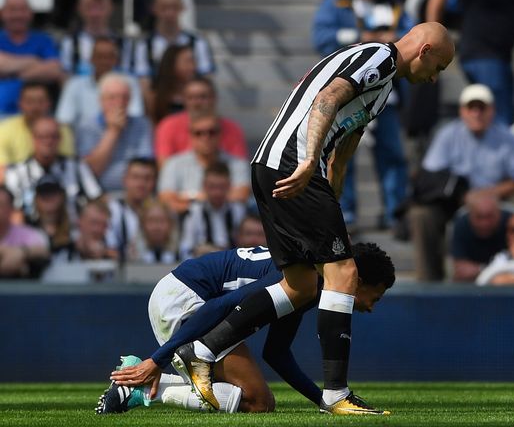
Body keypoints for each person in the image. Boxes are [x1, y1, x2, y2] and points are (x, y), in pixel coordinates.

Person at [165, 22, 453, 415]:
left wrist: (331, 200)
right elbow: (328, 99)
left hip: (272, 166)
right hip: (293, 164)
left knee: (300, 286)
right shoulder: (381, 58)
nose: (436, 78)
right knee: (343, 275)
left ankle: (201, 349)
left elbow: (345, 146)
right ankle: (335, 394)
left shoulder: (383, 86)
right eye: (440, 66)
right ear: (425, 51)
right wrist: (306, 163)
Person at [97, 243, 395, 415]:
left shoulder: (309, 283)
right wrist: (157, 359)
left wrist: (325, 401)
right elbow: (219, 307)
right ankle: (144, 392)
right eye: (375, 297)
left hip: (179, 294)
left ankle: (139, 389)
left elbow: (277, 353)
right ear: (357, 280)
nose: (371, 307)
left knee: (257, 400)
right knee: (258, 402)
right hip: (187, 300)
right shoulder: (301, 278)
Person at [312, 0, 413, 228]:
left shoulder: (393, 5)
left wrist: (396, 39)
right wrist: (360, 37)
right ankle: (344, 213)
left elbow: (415, 35)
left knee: (392, 154)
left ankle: (394, 211)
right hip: (347, 95)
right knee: (341, 156)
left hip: (384, 95)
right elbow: (321, 38)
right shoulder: (336, 3)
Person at [408, 83, 514, 281]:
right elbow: (430, 174)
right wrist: (463, 195)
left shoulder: (506, 137)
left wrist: (489, 195)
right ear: (462, 111)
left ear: (492, 110)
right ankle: (429, 279)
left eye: (482, 108)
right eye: (472, 108)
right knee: (421, 215)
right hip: (456, 198)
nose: (476, 113)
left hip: (498, 196)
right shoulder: (447, 135)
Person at [426, 0, 514, 126]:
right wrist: (433, 39)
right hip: (482, 56)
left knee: (494, 119)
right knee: (499, 122)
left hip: (500, 59)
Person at [3, 116, 102, 222]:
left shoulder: (78, 168)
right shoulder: (16, 172)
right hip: (30, 233)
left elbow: (96, 200)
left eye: (52, 137)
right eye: (42, 137)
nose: (48, 142)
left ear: (60, 139)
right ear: (33, 138)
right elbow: (10, 211)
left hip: (73, 231)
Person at [158, 113, 250, 215]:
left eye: (211, 132)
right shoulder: (173, 164)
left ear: (221, 134)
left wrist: (189, 198)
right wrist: (215, 199)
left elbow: (242, 195)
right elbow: (166, 200)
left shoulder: (237, 164)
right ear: (190, 135)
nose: (205, 137)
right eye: (198, 133)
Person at [76, 73, 154, 192]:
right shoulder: (87, 127)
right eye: (112, 98)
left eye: (124, 97)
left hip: (137, 192)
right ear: (101, 100)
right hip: (100, 195)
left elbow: (145, 164)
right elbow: (91, 171)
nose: (119, 103)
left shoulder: (142, 124)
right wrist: (113, 131)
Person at [154, 77, 246, 167]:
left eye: (203, 97)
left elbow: (238, 165)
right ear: (184, 100)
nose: (197, 102)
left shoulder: (232, 128)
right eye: (191, 98)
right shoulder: (168, 125)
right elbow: (164, 166)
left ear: (214, 98)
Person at [56, 37, 144, 128]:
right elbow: (64, 120)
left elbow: (135, 117)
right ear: (91, 59)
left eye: (109, 57)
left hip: (123, 135)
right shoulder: (74, 85)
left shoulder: (129, 83)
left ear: (116, 60)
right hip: (83, 139)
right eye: (100, 56)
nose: (104, 61)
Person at [0, 0, 63, 118]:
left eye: (22, 9)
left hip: (38, 113)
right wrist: (33, 61)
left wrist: (11, 72)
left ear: (30, 13)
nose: (18, 15)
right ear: (2, 13)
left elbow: (54, 70)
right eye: (12, 10)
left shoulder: (44, 40)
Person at [0, 82, 75, 171]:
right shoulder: (4, 130)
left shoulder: (62, 130)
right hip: (17, 182)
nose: (35, 107)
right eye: (29, 101)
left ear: (49, 103)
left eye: (40, 101)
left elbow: (69, 167)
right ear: (19, 104)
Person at [178, 162, 246, 259]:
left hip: (233, 266)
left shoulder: (239, 211)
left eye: (221, 187)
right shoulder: (194, 212)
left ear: (229, 186)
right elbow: (185, 250)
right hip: (204, 266)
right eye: (212, 187)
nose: (217, 193)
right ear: (204, 186)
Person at [450, 190, 511, 282]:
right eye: (479, 217)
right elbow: (461, 270)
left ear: (499, 214)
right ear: (470, 215)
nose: (484, 224)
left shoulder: (513, 224)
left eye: (489, 216)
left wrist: (480, 269)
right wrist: (496, 269)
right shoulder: (461, 225)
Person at [58, 0, 125, 77]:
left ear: (111, 8)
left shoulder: (123, 44)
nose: (95, 14)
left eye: (101, 8)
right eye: (89, 7)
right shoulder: (69, 43)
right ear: (79, 8)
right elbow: (64, 77)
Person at [105, 157, 158, 261]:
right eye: (135, 177)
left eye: (147, 178)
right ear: (125, 179)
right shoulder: (112, 210)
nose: (141, 184)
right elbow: (109, 249)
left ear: (154, 182)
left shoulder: (162, 213)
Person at [0, 185, 49, 277]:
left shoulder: (27, 234)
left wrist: (22, 252)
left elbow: (44, 251)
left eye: (1, 205)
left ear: (11, 209)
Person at [148, 45, 197, 125]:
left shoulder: (199, 94)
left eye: (194, 61)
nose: (193, 67)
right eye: (188, 61)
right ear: (172, 64)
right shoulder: (155, 97)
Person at [125, 200, 179, 264]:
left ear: (171, 224)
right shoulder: (130, 257)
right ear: (142, 225)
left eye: (161, 220)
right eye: (151, 221)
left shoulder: (182, 255)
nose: (156, 227)